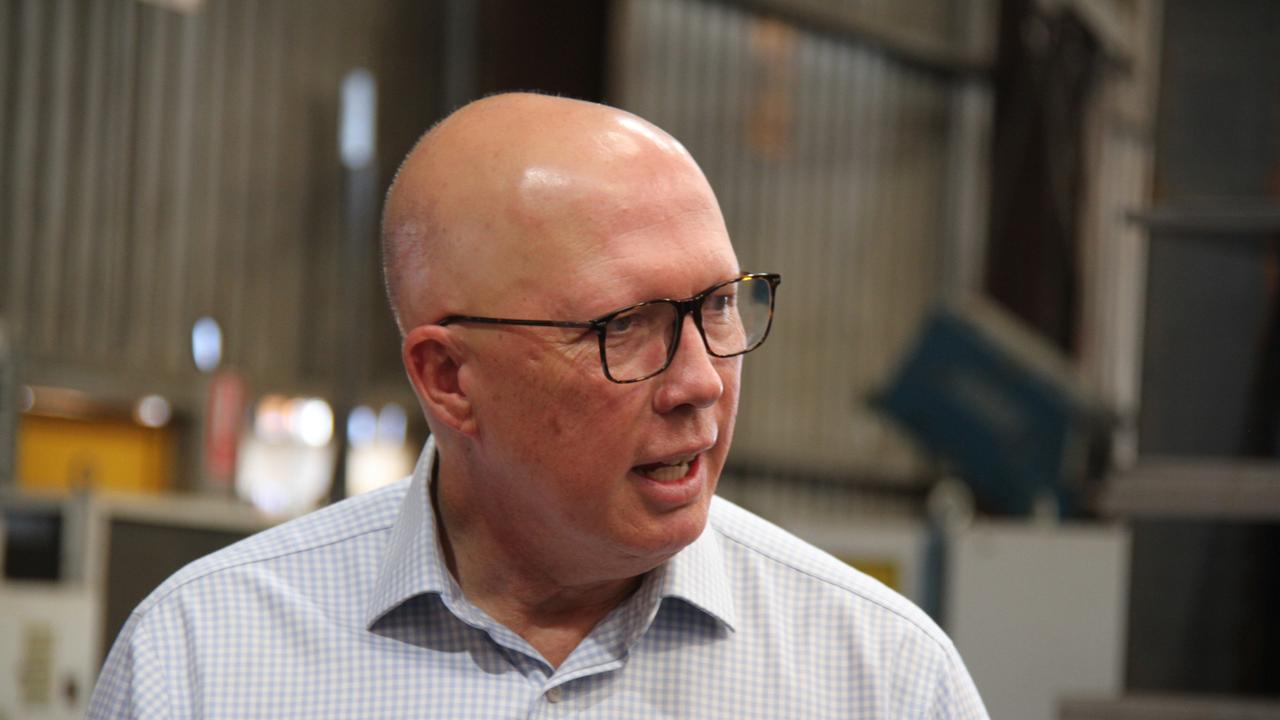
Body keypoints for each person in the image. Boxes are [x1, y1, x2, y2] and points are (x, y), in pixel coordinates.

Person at [88, 93, 989, 719]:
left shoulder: (881, 680)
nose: (703, 381)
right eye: (627, 325)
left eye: (718, 304)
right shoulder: (204, 661)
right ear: (447, 377)